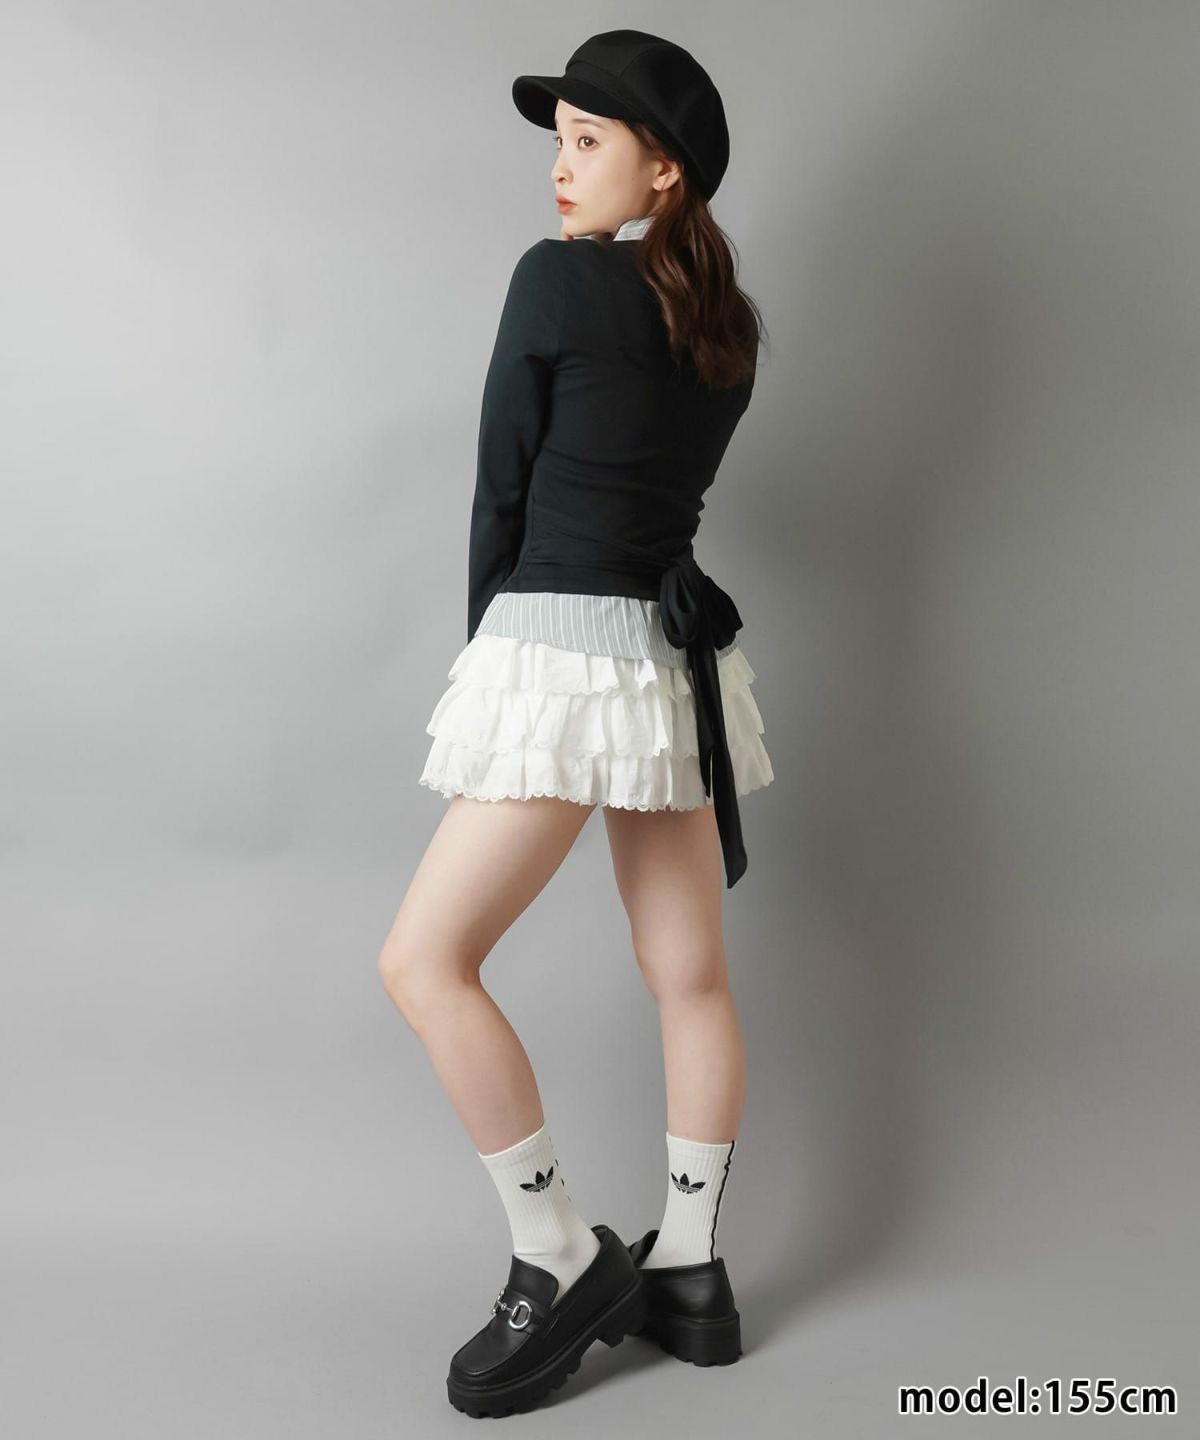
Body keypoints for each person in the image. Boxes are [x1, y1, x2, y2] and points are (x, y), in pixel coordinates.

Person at [378, 29, 774, 1417]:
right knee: (691, 977)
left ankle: (556, 1246)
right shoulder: (730, 327)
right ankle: (694, 1272)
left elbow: (503, 485)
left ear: (663, 169)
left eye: (589, 140)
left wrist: (492, 657)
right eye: (558, 142)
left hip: (561, 650)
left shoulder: (555, 281)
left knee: (424, 961)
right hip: (671, 664)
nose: (560, 167)